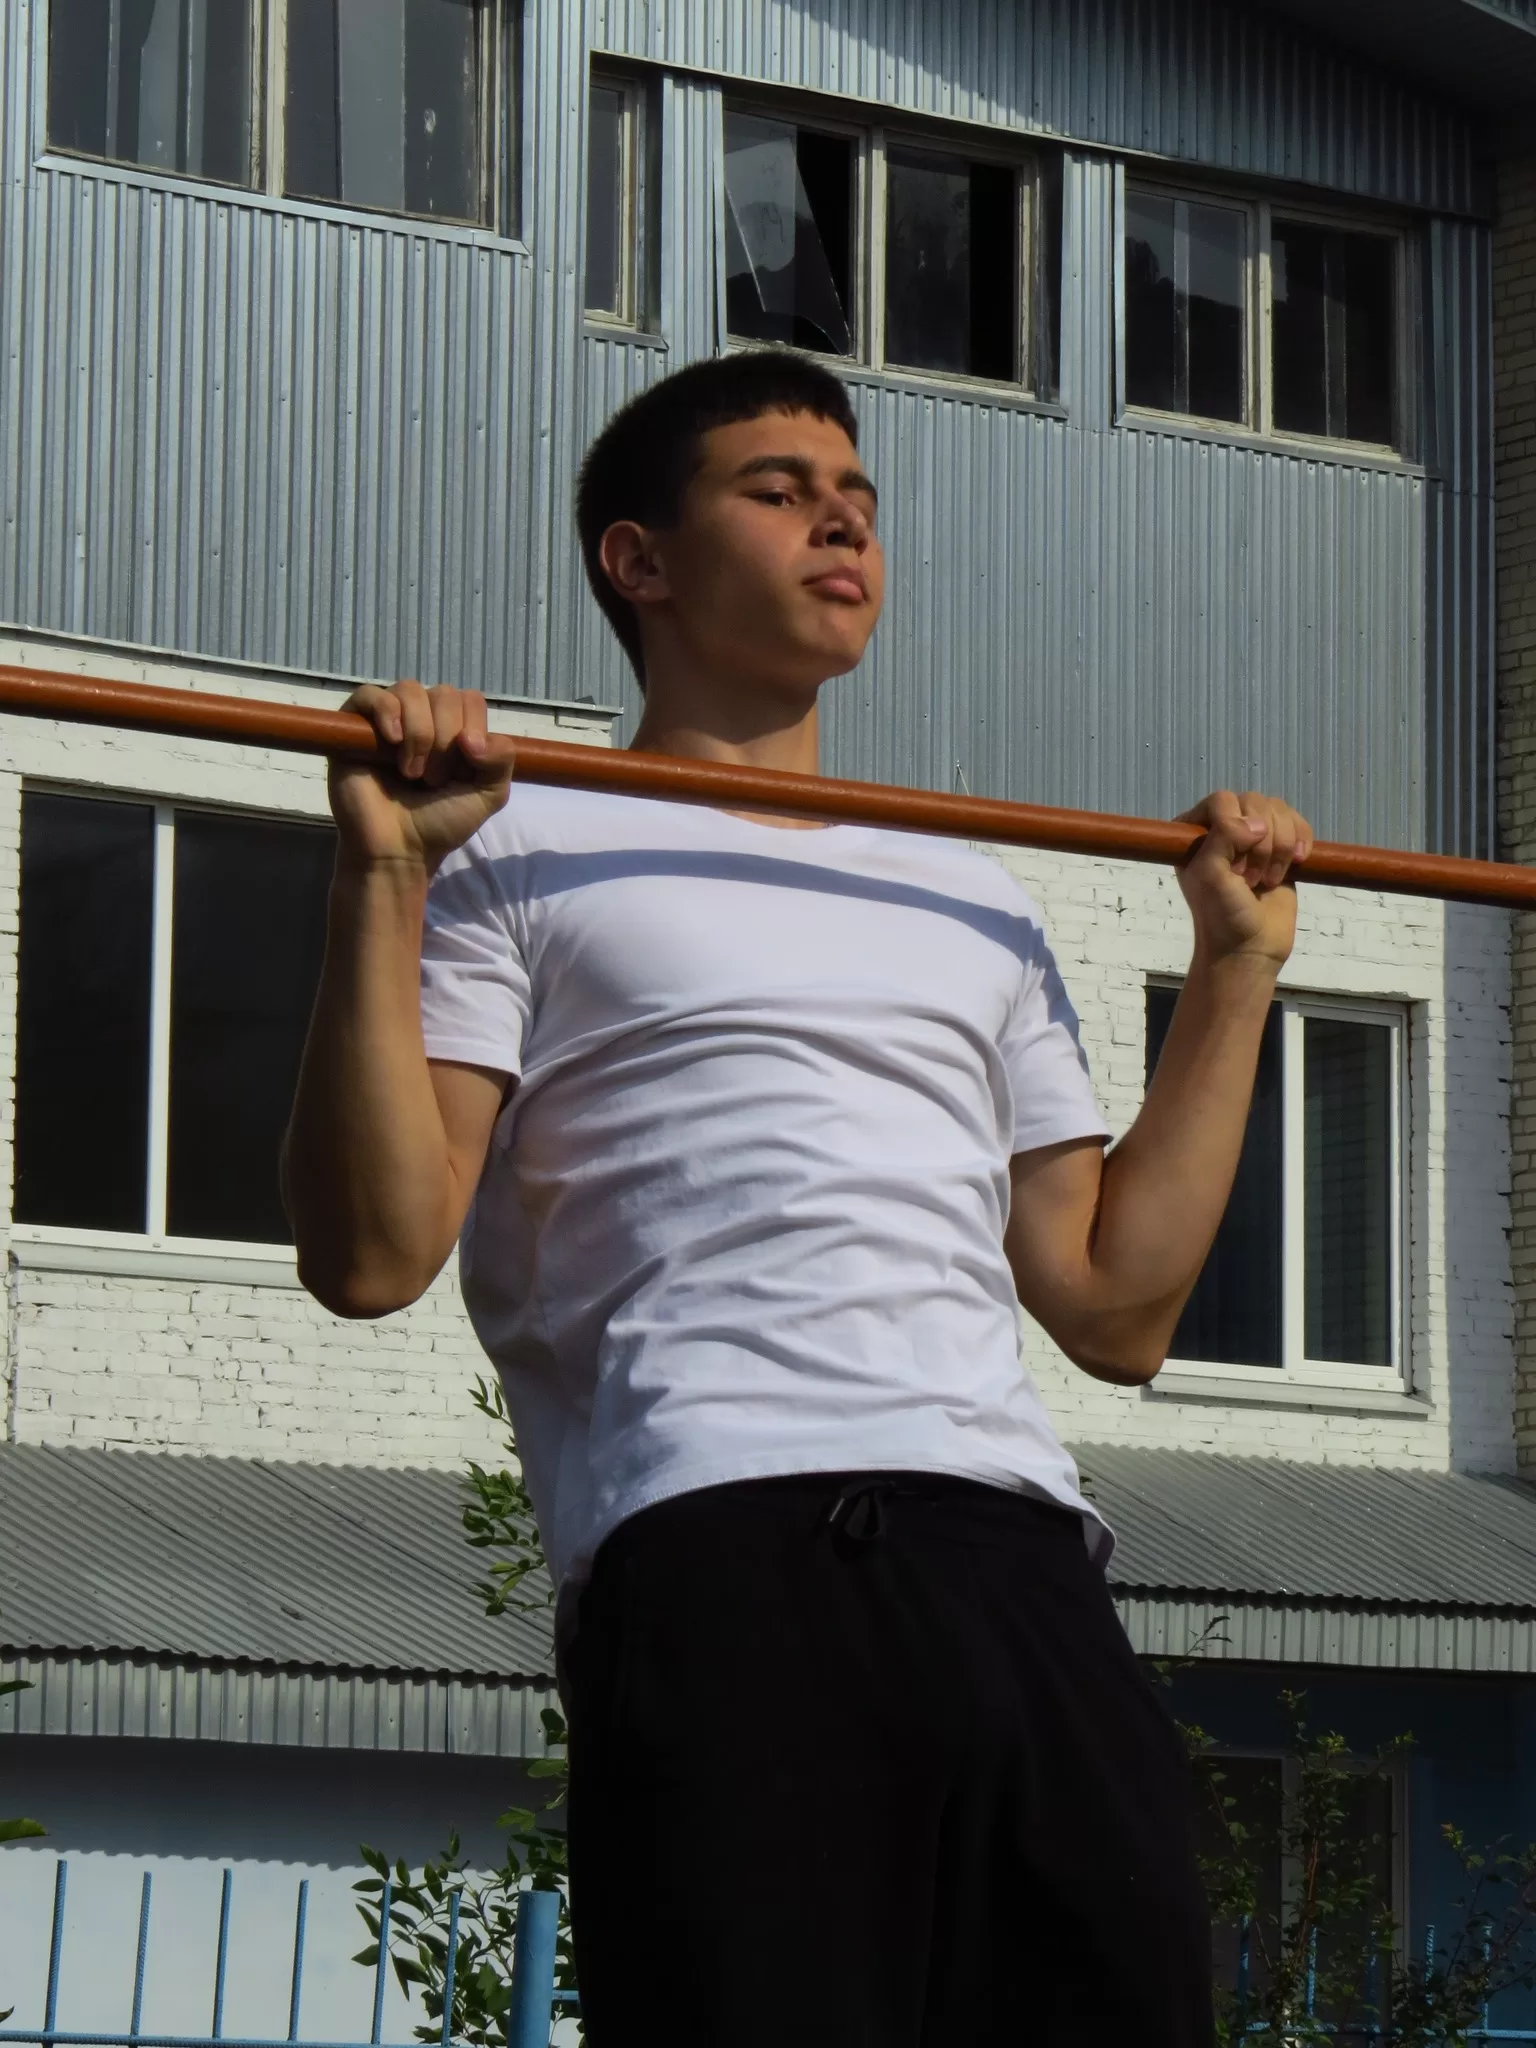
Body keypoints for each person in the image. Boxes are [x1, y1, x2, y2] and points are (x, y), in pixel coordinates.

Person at [285, 348, 1311, 2047]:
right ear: (640, 560)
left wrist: (1237, 969)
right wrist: (385, 873)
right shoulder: (517, 846)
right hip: (727, 1542)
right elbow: (374, 1253)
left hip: (1024, 1562)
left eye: (859, 501)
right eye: (778, 491)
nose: (842, 523)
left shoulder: (970, 894)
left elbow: (1114, 1305)